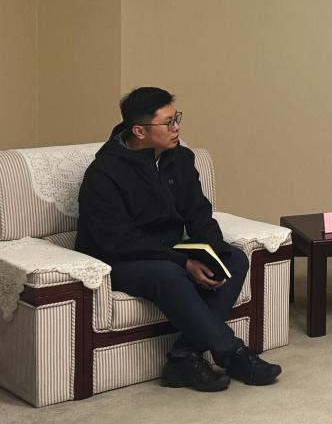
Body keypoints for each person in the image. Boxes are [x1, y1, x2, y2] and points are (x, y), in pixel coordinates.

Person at [75, 87, 282, 391]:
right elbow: (119, 239)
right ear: (139, 131)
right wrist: (183, 262)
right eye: (168, 123)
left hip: (165, 250)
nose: (177, 128)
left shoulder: (181, 158)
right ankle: (233, 353)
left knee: (234, 259)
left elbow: (199, 213)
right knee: (170, 273)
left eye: (177, 119)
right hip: (116, 258)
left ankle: (184, 357)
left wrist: (212, 253)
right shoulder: (104, 173)